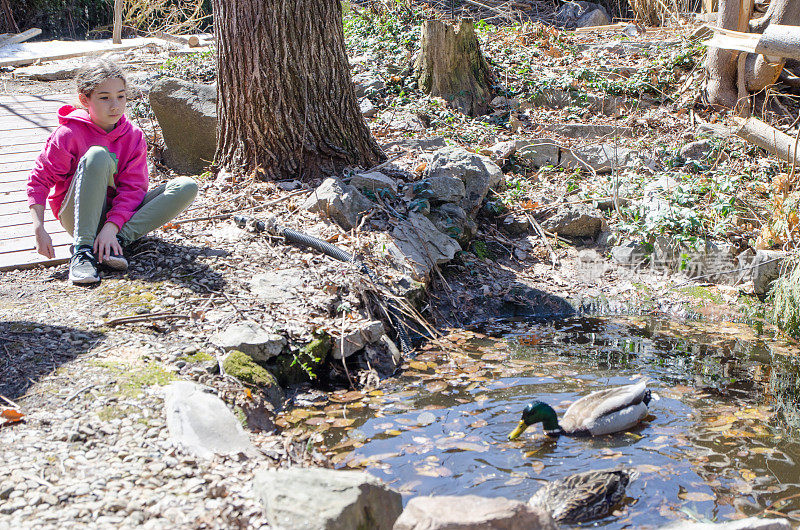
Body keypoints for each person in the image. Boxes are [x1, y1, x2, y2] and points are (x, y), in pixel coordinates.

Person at [27, 58, 198, 285]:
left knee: (186, 187)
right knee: (97, 155)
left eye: (121, 96)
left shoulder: (134, 136)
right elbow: (39, 180)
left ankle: (114, 242)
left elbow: (133, 188)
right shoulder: (68, 133)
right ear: (84, 99)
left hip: (116, 218)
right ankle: (83, 251)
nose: (115, 105)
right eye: (104, 98)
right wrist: (39, 229)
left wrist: (112, 226)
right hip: (78, 216)